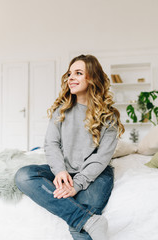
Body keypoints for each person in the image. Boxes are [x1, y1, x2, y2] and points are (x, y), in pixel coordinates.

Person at [15, 54, 124, 240]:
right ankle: (90, 221)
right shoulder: (61, 110)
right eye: (69, 73)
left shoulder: (109, 116)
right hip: (65, 170)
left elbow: (102, 157)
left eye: (78, 73)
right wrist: (59, 171)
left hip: (95, 174)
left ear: (92, 78)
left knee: (77, 229)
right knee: (24, 175)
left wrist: (78, 184)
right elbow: (51, 144)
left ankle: (83, 222)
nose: (70, 78)